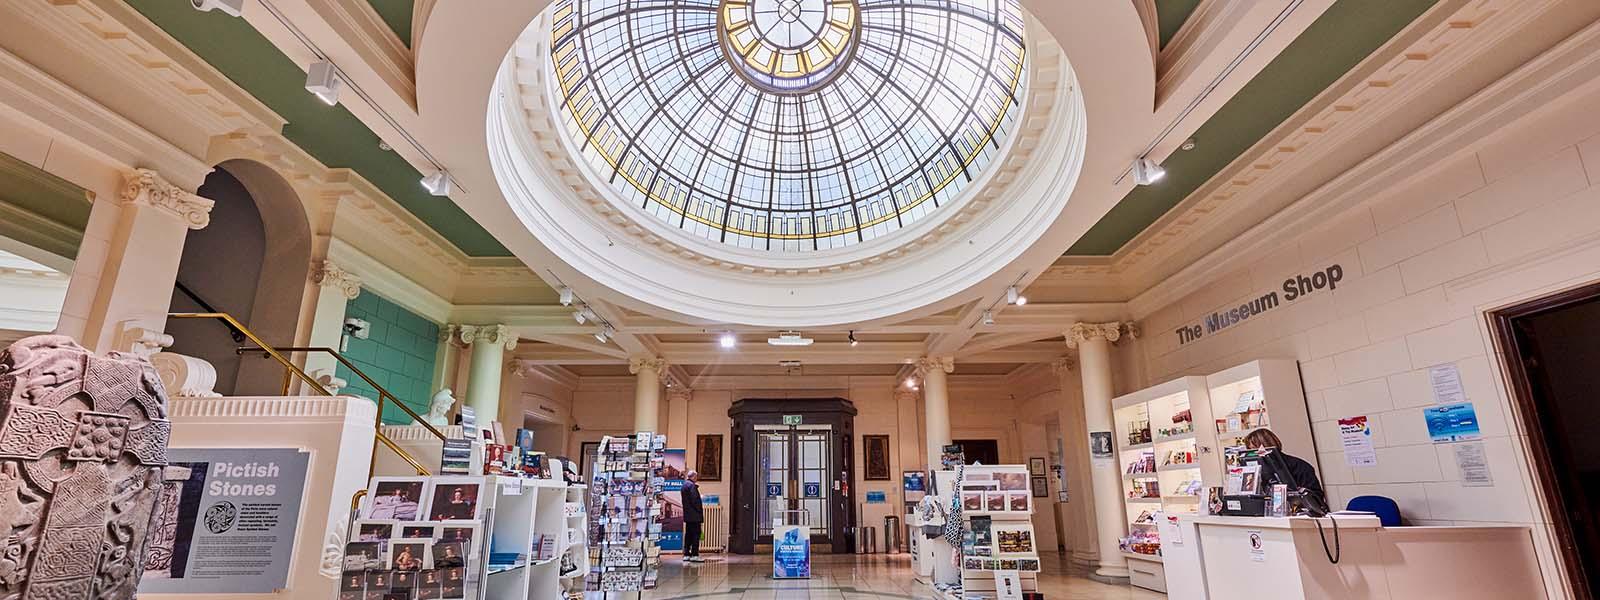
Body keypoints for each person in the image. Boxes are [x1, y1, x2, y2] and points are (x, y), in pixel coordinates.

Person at [1243, 428, 1326, 510]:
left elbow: (1316, 497)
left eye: (1255, 450)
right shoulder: (1258, 469)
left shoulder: (1300, 466)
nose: (1253, 455)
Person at [682, 470, 705, 563]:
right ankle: (695, 554)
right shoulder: (691, 486)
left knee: (688, 535)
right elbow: (695, 500)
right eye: (696, 477)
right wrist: (699, 510)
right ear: (693, 477)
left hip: (688, 515)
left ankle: (686, 554)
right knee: (696, 534)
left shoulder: (684, 486)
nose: (697, 478)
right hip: (695, 515)